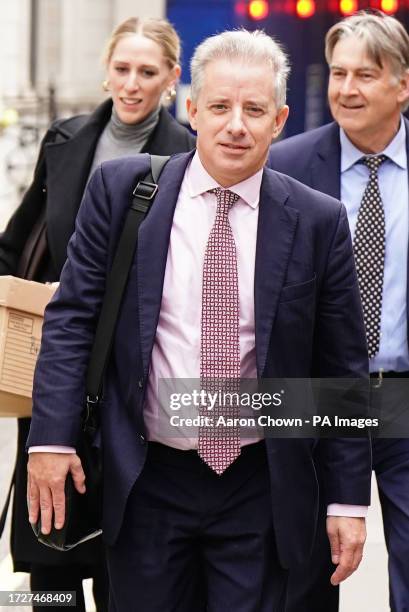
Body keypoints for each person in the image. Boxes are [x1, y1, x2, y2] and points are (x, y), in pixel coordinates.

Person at [26, 29, 371, 611]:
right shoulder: (121, 192)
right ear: (192, 111)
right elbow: (72, 320)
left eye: (254, 109)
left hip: (260, 483)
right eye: (220, 106)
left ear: (279, 118)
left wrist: (347, 502)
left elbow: (341, 369)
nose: (236, 124)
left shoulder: (319, 221)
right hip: (147, 478)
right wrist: (51, 438)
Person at [0, 16, 195, 612]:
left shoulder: (189, 151)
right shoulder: (64, 139)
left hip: (135, 375)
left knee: (124, 549)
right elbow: (19, 238)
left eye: (148, 72)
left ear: (171, 79)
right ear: (106, 69)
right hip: (57, 363)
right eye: (122, 69)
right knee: (49, 554)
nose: (132, 84)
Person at [268, 10, 409, 612]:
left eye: (366, 76)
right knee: (302, 567)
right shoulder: (286, 164)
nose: (346, 89)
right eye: (337, 73)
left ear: (403, 84)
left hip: (404, 393)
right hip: (318, 397)